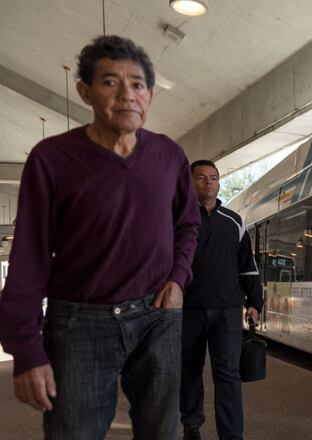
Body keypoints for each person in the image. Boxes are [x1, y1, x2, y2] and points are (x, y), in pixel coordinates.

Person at [0, 35, 200, 439]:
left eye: (138, 84)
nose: (127, 94)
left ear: (151, 95)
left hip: (157, 315)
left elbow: (187, 224)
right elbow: (30, 257)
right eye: (110, 82)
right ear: (85, 91)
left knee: (163, 432)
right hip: (79, 321)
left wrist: (178, 278)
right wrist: (25, 348)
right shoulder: (51, 159)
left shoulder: (169, 156)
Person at [181, 159, 263, 440]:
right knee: (189, 371)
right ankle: (191, 424)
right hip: (187, 310)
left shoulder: (234, 221)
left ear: (219, 183)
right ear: (189, 182)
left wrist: (254, 301)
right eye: (201, 177)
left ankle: (231, 434)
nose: (208, 182)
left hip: (227, 311)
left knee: (227, 375)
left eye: (213, 178)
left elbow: (247, 265)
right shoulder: (175, 218)